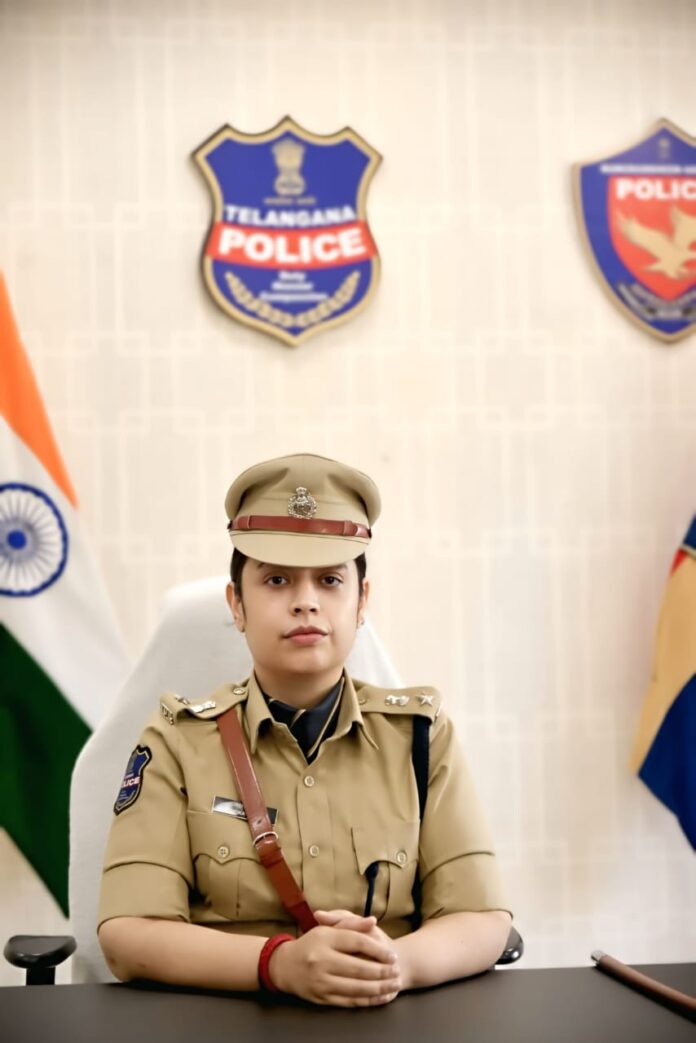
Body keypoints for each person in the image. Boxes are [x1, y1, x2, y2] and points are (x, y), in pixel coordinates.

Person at [97, 453, 513, 1007]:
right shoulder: (177, 742)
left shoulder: (420, 737)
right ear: (237, 605)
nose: (306, 602)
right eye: (276, 580)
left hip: (387, 1018)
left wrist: (395, 967)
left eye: (331, 580)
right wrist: (278, 964)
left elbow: (482, 918)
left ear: (362, 602)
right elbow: (128, 935)